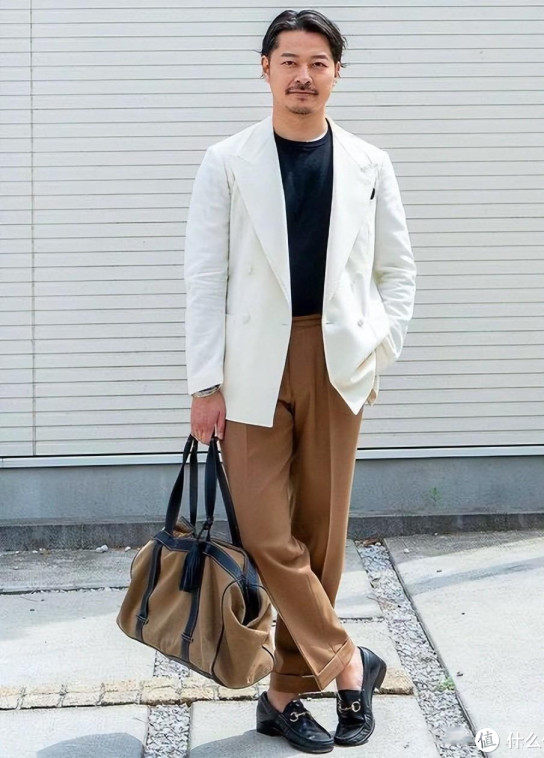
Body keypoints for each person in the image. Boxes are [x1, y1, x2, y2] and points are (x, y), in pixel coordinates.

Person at [184, 8, 417, 752]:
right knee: (263, 531)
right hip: (251, 364)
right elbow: (205, 279)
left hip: (335, 359)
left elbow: (397, 270)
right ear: (266, 69)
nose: (303, 76)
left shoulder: (369, 163)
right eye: (289, 61)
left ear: (336, 73)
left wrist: (380, 347)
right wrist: (204, 384)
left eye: (318, 63)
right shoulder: (227, 161)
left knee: (321, 535)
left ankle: (284, 692)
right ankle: (349, 663)